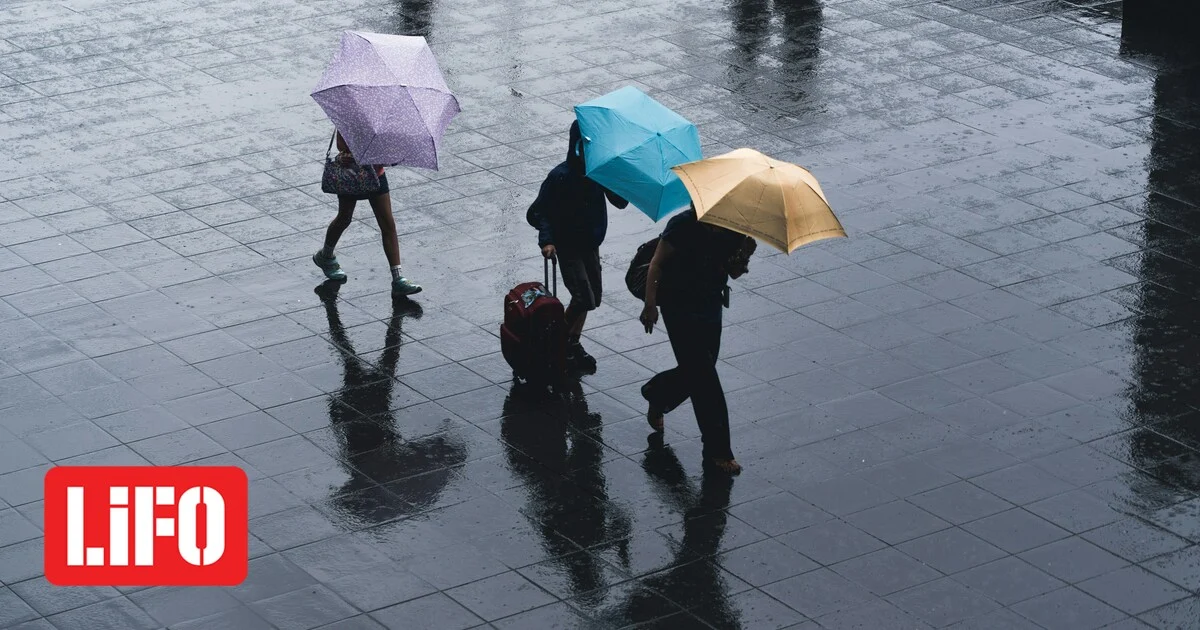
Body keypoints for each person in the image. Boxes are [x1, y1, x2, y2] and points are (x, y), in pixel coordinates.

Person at [638, 207, 757, 474]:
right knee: (706, 380)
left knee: (700, 370)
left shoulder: (732, 228)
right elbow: (657, 263)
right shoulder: (682, 225)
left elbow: (734, 272)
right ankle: (718, 451)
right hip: (679, 309)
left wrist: (744, 254)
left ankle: (658, 393)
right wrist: (650, 304)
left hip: (710, 307)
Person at [527, 120, 629, 372]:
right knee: (584, 298)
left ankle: (571, 341)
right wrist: (547, 240)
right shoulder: (560, 176)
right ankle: (558, 342)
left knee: (593, 298)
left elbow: (620, 201)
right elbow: (539, 212)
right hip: (568, 247)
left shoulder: (598, 174)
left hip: (590, 245)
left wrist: (617, 176)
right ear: (576, 145)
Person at [313, 131, 422, 296]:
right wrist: (347, 156)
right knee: (344, 218)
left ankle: (398, 278)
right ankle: (326, 256)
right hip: (351, 174)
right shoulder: (350, 118)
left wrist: (385, 154)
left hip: (376, 175)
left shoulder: (385, 124)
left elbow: (390, 154)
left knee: (387, 224)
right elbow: (341, 145)